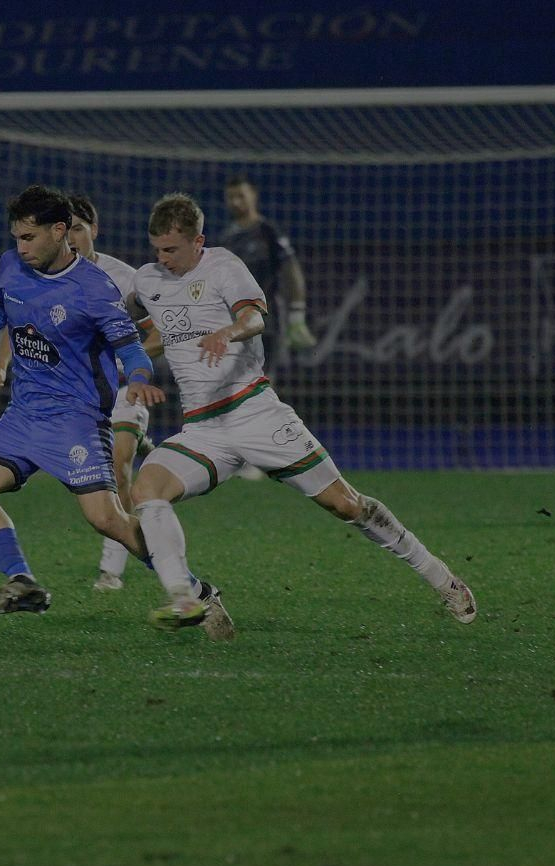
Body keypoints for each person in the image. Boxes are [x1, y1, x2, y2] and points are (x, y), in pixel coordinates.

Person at [126, 193, 478, 637]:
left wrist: (228, 332)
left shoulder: (224, 267)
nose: (162, 259)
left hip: (255, 414)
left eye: (171, 250)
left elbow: (254, 318)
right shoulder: (149, 278)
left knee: (347, 504)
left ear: (198, 240)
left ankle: (438, 574)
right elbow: (150, 328)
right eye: (156, 249)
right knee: (147, 489)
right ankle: (189, 597)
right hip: (202, 429)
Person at [0, 185, 170, 614]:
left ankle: (190, 588)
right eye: (16, 237)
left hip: (77, 419)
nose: (20, 247)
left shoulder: (95, 288)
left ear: (59, 231)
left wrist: (140, 377)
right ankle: (22, 580)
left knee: (107, 519)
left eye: (29, 238)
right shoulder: (11, 266)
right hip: (23, 415)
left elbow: (133, 348)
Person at [0, 193, 158, 592]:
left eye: (81, 228)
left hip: (115, 392)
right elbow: (18, 321)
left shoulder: (122, 280)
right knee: (105, 500)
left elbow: (150, 335)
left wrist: (124, 366)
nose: (75, 237)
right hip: (61, 399)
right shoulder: (35, 272)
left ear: (91, 230)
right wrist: (1, 364)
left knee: (117, 468)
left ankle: (113, 570)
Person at [214, 174, 315, 352]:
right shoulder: (226, 239)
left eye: (241, 196)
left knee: (263, 377)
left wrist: (297, 314)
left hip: (267, 320)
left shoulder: (268, 232)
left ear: (253, 195)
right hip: (233, 322)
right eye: (231, 197)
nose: (235, 202)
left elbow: (291, 270)